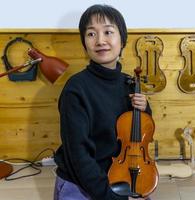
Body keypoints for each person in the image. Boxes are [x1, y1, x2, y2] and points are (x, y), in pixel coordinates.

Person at [54, 4, 151, 200]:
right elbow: (78, 156)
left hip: (122, 173)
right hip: (82, 180)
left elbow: (138, 135)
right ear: (84, 43)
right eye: (91, 34)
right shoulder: (76, 89)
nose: (100, 41)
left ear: (122, 40)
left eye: (108, 32)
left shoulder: (129, 83)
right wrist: (110, 196)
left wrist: (145, 109)